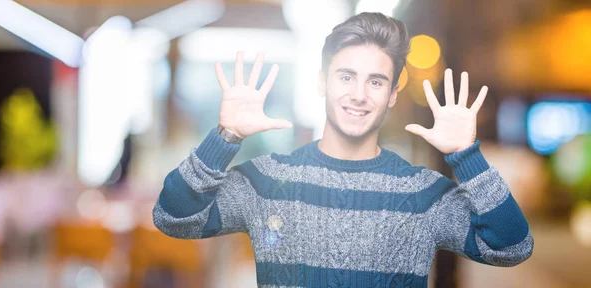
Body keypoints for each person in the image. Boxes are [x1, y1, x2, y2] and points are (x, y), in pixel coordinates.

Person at [153, 12, 533, 287]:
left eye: (376, 81)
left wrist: (467, 156)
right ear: (322, 82)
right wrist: (225, 136)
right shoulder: (268, 181)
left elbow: (512, 247)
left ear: (392, 95)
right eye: (346, 76)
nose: (358, 94)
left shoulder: (422, 193)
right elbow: (173, 216)